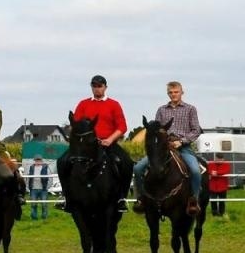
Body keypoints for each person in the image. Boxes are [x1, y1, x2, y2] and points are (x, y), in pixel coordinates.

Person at [133, 80, 204, 213]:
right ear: (168, 94)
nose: (173, 95)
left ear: (182, 92)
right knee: (137, 168)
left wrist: (181, 141)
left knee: (195, 170)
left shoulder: (190, 109)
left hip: (183, 147)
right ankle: (141, 198)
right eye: (170, 93)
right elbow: (156, 129)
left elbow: (196, 130)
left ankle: (194, 200)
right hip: (162, 148)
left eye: (176, 92)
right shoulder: (161, 110)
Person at [73, 75, 131, 211]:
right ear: (91, 87)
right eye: (94, 86)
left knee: (127, 163)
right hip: (86, 145)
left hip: (108, 143)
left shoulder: (114, 104)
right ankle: (66, 196)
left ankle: (122, 197)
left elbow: (122, 126)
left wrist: (110, 139)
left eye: (100, 86)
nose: (97, 89)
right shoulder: (83, 104)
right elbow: (76, 123)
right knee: (63, 161)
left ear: (105, 87)